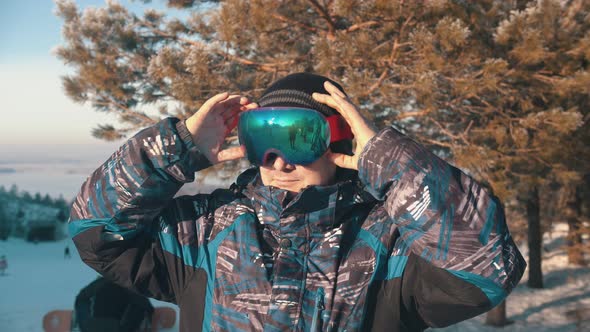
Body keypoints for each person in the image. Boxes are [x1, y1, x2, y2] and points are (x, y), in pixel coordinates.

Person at [69, 73, 526, 331]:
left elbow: (486, 270)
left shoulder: (390, 242)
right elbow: (95, 230)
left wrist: (389, 161)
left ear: (339, 143)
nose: (278, 162)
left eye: (300, 138)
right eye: (261, 139)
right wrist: (179, 147)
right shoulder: (205, 234)